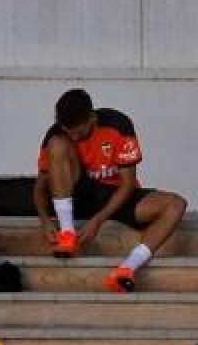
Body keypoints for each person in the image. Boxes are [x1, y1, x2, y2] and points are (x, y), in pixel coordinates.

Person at [33, 88, 187, 292]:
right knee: (57, 145)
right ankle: (67, 234)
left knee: (176, 205)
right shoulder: (56, 135)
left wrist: (99, 219)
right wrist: (44, 219)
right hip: (79, 193)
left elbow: (128, 184)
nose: (75, 138)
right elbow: (40, 186)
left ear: (92, 118)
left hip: (116, 195)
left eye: (80, 132)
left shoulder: (118, 124)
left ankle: (126, 270)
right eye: (70, 133)